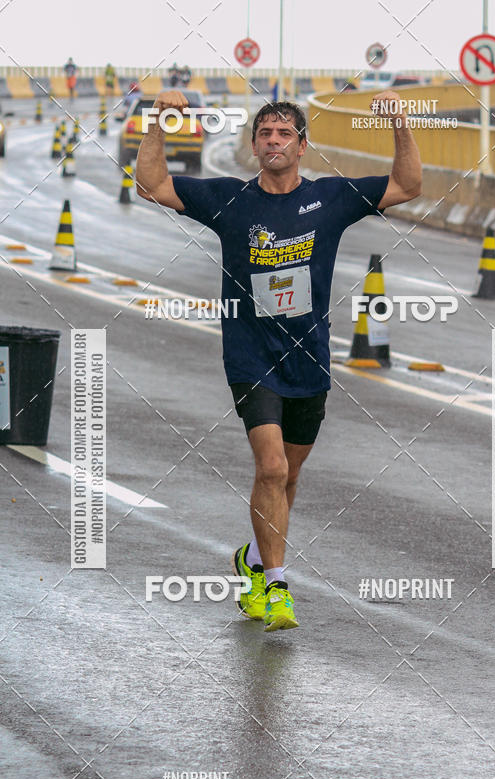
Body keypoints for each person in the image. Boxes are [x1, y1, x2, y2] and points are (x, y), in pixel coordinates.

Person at [135, 91, 422, 632]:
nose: (274, 141)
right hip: (250, 356)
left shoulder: (330, 199)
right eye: (265, 133)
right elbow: (150, 184)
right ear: (253, 145)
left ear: (302, 146)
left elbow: (407, 186)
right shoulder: (230, 199)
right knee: (270, 468)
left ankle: (252, 561)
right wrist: (157, 121)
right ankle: (278, 586)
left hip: (309, 359)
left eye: (284, 133)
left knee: (287, 477)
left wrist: (401, 123)